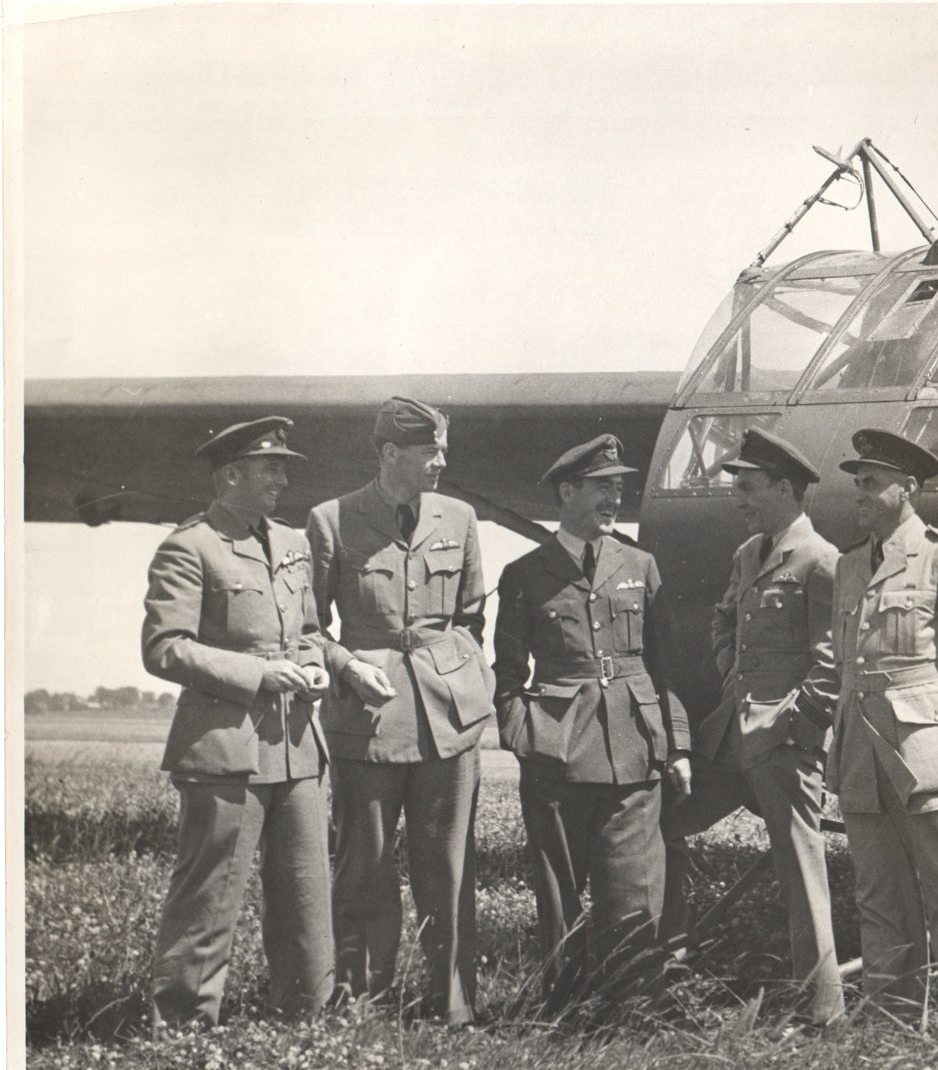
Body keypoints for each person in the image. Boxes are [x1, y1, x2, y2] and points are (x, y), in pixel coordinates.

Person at [306, 396, 494, 1025]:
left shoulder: (460, 517)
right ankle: (363, 1002)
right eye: (429, 450)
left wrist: (462, 675)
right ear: (390, 453)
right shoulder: (332, 520)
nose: (441, 461)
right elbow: (309, 627)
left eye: (443, 448)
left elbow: (470, 617)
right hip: (369, 717)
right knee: (364, 864)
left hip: (449, 719)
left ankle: (453, 1006)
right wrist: (347, 666)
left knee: (448, 866)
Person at [142, 416, 333, 1031]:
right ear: (231, 476)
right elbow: (165, 646)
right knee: (209, 895)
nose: (282, 478)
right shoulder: (188, 546)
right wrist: (259, 676)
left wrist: (313, 665)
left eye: (283, 467)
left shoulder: (294, 542)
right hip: (223, 748)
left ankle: (306, 1023)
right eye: (270, 467)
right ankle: (184, 1029)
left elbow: (307, 632)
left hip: (298, 747)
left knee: (307, 892)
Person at [492, 434, 691, 997]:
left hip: (634, 746)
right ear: (567, 491)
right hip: (556, 751)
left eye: (619, 488)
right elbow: (507, 671)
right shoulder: (525, 574)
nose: (615, 499)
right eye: (603, 488)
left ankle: (635, 1004)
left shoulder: (640, 564)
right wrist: (521, 732)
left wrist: (676, 744)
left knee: (634, 886)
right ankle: (566, 1007)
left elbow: (663, 664)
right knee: (560, 892)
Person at [660, 427, 844, 1026]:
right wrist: (736, 678)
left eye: (748, 487)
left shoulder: (822, 562)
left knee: (800, 869)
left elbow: (834, 659)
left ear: (785, 489)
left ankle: (822, 1010)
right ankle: (668, 970)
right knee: (661, 824)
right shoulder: (750, 554)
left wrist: (797, 721)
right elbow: (723, 621)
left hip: (784, 742)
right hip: (730, 738)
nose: (738, 498)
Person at [829, 428, 938, 1021]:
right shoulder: (849, 567)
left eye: (872, 482)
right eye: (857, 482)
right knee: (879, 900)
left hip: (930, 758)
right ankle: (891, 1027)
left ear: (907, 489)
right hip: (862, 759)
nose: (860, 492)